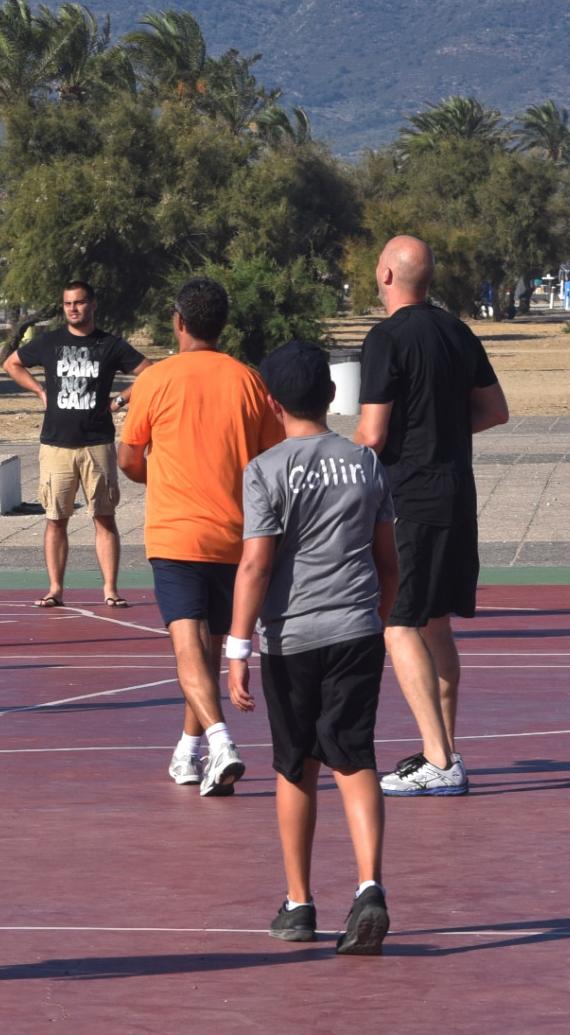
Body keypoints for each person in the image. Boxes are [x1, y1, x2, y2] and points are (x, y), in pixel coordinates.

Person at [226, 341, 399, 955]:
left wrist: (238, 647)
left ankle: (298, 902)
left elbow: (255, 564)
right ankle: (369, 886)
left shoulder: (265, 469)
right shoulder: (365, 462)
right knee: (355, 756)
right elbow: (389, 562)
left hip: (290, 637)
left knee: (295, 764)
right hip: (356, 629)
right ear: (330, 395)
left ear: (272, 404)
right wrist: (373, 620)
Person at [119, 277, 286, 799]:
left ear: (178, 322)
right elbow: (271, 458)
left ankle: (219, 740)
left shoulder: (155, 380)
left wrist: (163, 474)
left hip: (176, 534)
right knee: (207, 650)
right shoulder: (249, 380)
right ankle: (188, 752)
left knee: (186, 644)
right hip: (237, 537)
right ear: (224, 324)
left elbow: (129, 458)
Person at [356, 234, 506, 797]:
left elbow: (372, 434)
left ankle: (440, 760)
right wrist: (441, 428)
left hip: (410, 499)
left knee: (398, 623)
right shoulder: (458, 331)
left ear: (387, 275)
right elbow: (495, 410)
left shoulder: (386, 338)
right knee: (435, 622)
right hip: (456, 494)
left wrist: (335, 467)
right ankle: (442, 751)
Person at [4, 280, 149, 608]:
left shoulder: (110, 344)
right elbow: (11, 363)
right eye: (68, 303)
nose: (73, 308)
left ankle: (110, 589)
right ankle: (55, 589)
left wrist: (120, 400)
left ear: (93, 305)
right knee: (56, 519)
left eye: (80, 302)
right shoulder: (49, 342)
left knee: (104, 517)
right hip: (56, 445)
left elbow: (150, 374)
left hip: (97, 444)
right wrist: (39, 391)